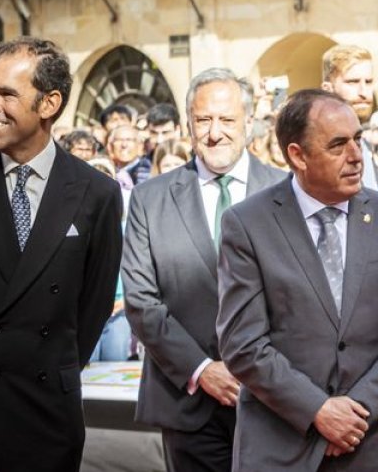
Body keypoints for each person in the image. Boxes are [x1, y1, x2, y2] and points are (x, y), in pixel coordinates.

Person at [216, 89, 378, 471]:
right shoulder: (248, 224)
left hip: (368, 445)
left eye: (358, 140)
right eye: (338, 145)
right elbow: (242, 343)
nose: (355, 156)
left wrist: (355, 413)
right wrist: (316, 410)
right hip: (280, 447)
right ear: (297, 155)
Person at [122, 69, 287, 472]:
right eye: (203, 120)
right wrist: (201, 370)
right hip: (188, 401)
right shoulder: (150, 199)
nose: (215, 133)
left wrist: (267, 372)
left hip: (276, 402)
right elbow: (142, 301)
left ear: (249, 123)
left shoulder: (287, 192)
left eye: (227, 120)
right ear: (188, 125)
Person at [0, 37, 123, 471]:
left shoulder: (97, 192)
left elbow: (95, 302)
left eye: (6, 94)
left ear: (48, 103)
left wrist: (55, 365)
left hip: (47, 412)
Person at [321, 44, 378, 191]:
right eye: (353, 82)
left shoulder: (364, 145)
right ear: (327, 89)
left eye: (368, 82)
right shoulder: (319, 149)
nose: (363, 92)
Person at [107, 123, 151, 189]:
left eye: (129, 140)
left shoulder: (148, 171)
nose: (124, 145)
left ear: (140, 146)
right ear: (110, 146)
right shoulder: (106, 170)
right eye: (119, 140)